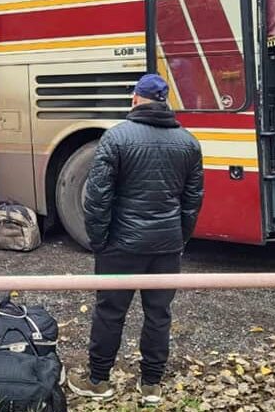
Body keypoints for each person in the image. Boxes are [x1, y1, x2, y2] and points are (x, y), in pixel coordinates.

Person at [66, 74, 204, 407]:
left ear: (135, 99)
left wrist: (99, 241)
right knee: (159, 314)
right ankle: (152, 385)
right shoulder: (188, 142)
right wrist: (178, 238)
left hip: (120, 246)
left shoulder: (115, 139)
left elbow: (97, 199)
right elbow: (193, 200)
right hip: (166, 246)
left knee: (110, 313)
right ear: (165, 101)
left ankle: (99, 380)